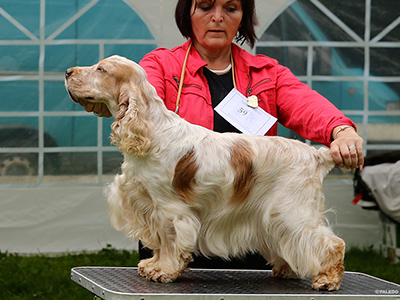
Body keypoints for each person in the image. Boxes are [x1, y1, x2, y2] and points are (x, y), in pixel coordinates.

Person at [79, 0, 364, 269]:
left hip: (252, 239)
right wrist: (110, 100)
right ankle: (168, 256)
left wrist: (342, 130)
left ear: (243, 18)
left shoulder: (266, 72)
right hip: (174, 227)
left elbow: (306, 104)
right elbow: (139, 100)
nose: (217, 17)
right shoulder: (161, 66)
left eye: (230, 8)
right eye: (205, 6)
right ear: (186, 13)